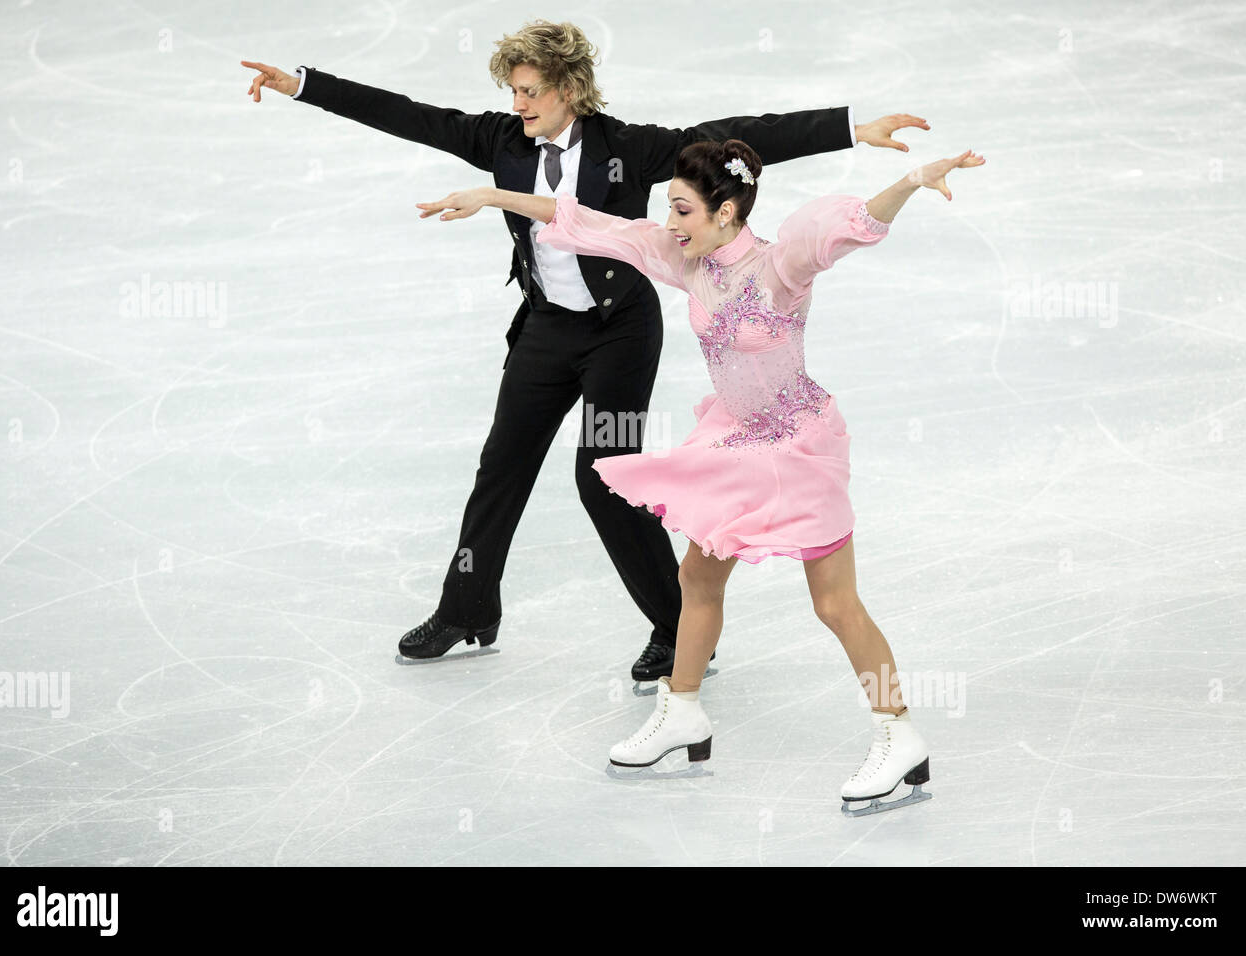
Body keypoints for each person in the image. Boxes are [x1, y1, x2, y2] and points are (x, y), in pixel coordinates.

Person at [241, 19, 931, 682]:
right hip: (546, 332)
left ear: (567, 89)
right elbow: (408, 113)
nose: (517, 105)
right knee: (500, 464)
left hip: (620, 337)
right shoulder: (502, 140)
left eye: (529, 91)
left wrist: (848, 128)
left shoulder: (625, 145)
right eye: (511, 91)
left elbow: (729, 139)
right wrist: (303, 84)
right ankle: (469, 607)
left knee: (602, 475)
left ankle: (675, 626)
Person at [414, 139, 985, 814]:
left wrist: (915, 179)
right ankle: (683, 711)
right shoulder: (689, 261)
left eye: (683, 208)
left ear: (728, 210)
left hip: (799, 450)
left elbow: (850, 224)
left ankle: (900, 735)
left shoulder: (780, 266)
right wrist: (494, 197)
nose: (671, 221)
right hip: (737, 446)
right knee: (695, 579)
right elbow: (597, 226)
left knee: (835, 605)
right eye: (670, 207)